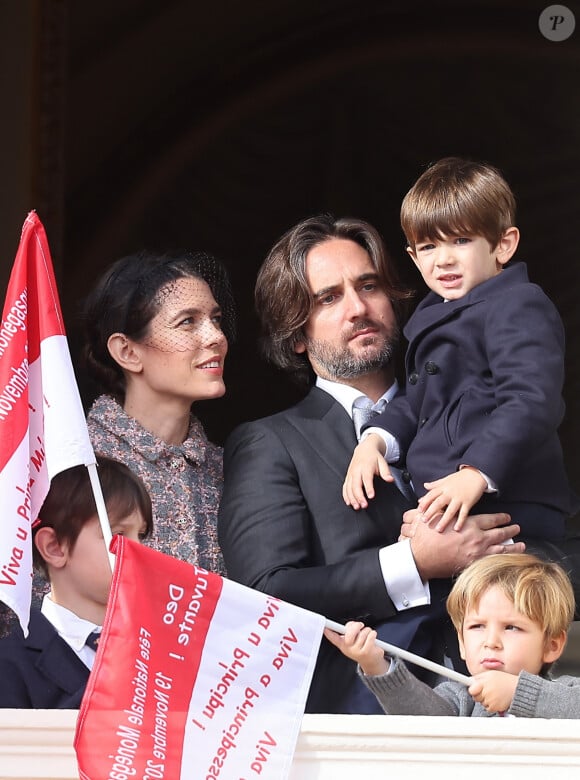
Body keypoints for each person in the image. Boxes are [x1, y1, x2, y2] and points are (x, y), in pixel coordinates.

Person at [218, 213, 525, 714]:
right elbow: (265, 594)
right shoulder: (271, 441)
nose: (358, 308)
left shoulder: (486, 407)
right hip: (362, 722)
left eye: (369, 286)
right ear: (296, 334)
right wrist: (414, 563)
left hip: (507, 714)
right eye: (328, 298)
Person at [343, 157, 579, 541]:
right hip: (450, 505)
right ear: (413, 258)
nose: (444, 258)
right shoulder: (432, 313)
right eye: (429, 246)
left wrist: (476, 473)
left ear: (503, 245)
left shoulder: (517, 303)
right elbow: (417, 405)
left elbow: (531, 399)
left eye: (461, 240)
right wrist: (375, 441)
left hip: (511, 505)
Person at [83, 248, 235, 575]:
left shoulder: (233, 471)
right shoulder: (72, 466)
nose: (217, 337)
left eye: (216, 319)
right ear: (127, 351)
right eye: (187, 322)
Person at [324, 553, 580, 718]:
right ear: (461, 643)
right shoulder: (459, 698)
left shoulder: (565, 691)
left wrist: (518, 693)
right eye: (477, 626)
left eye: (511, 627)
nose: (491, 642)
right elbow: (421, 720)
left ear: (552, 645)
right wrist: (375, 664)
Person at [0, 455, 153, 708]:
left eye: (141, 535)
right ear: (54, 547)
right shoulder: (10, 665)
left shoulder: (164, 651)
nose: (137, 550)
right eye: (117, 534)